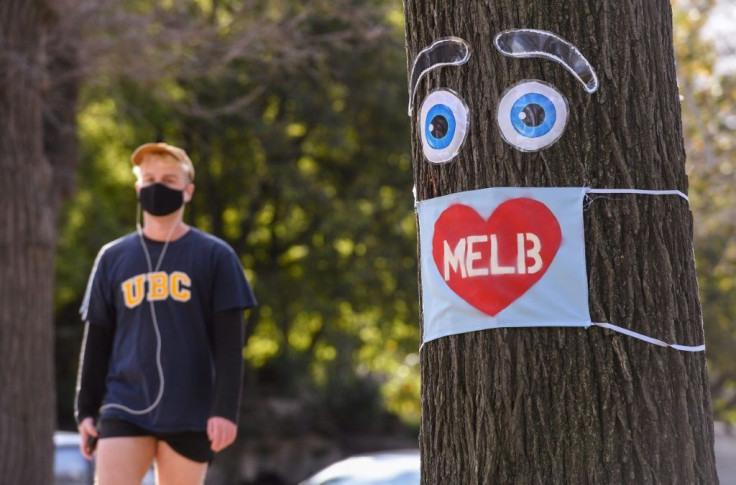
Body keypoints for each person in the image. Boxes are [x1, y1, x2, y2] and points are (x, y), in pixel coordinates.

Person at [75, 142, 256, 485]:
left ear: (187, 192)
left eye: (169, 180)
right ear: (137, 187)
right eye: (150, 178)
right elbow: (97, 337)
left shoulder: (216, 257)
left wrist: (225, 411)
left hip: (190, 411)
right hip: (124, 405)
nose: (158, 186)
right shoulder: (113, 257)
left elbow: (231, 345)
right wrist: (85, 410)